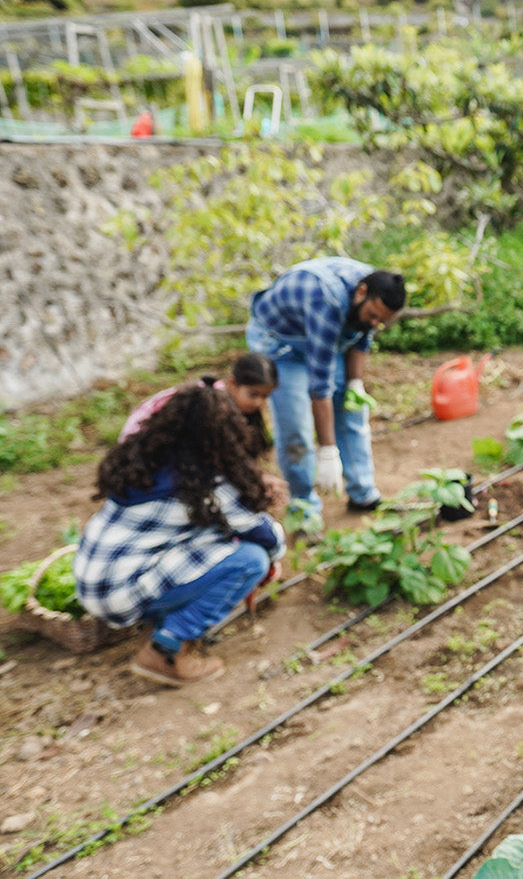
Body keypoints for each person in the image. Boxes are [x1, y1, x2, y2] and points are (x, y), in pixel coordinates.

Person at [74, 384, 287, 686]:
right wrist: (274, 558)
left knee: (206, 544)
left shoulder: (146, 462)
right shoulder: (205, 485)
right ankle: (166, 650)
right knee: (250, 560)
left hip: (93, 579)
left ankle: (157, 624)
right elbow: (264, 534)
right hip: (116, 593)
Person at [244, 258, 406, 530]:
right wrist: (328, 452)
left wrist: (354, 384)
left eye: (383, 321)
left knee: (352, 409)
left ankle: (363, 494)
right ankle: (305, 509)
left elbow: (362, 334)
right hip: (280, 341)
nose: (377, 323)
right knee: (296, 429)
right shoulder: (327, 299)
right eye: (374, 316)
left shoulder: (374, 292)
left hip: (322, 332)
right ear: (361, 292)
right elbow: (320, 388)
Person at [120, 352, 290, 513]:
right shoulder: (209, 408)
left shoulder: (232, 407)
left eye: (265, 396)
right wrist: (255, 479)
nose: (259, 402)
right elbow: (226, 459)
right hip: (143, 461)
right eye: (253, 394)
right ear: (232, 383)